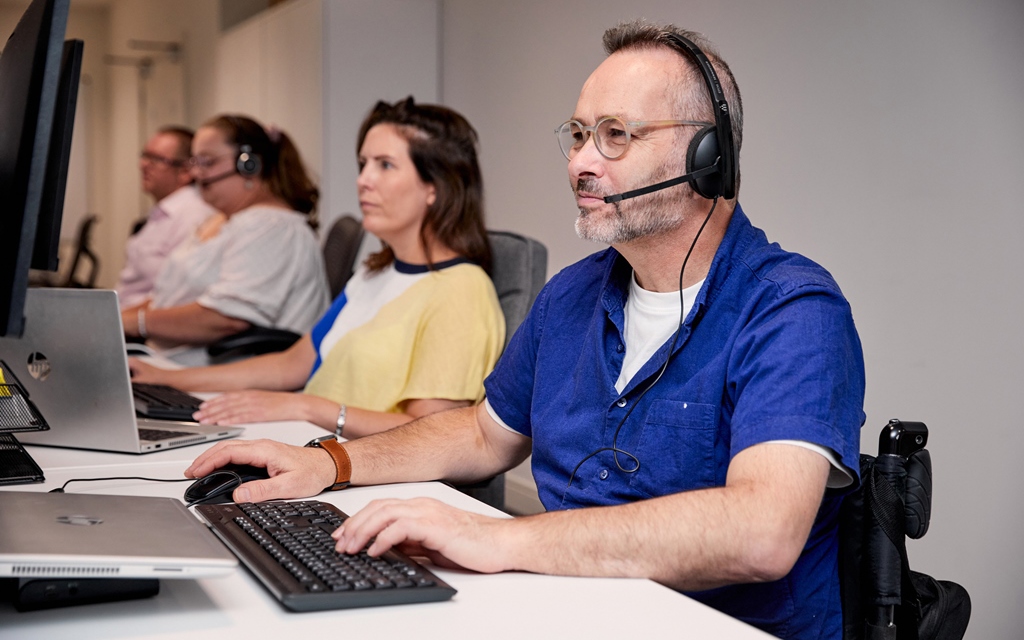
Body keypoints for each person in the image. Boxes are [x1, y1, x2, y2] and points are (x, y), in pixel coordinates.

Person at [185, 22, 864, 640]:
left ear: (708, 155)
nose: (580, 164)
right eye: (576, 134)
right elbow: (483, 432)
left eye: (616, 135)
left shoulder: (792, 309)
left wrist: (500, 539)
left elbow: (761, 532)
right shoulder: (574, 293)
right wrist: (331, 463)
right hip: (554, 609)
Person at [130, 98, 505, 437]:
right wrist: (170, 378)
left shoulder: (461, 291)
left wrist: (306, 406)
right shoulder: (375, 273)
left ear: (434, 186)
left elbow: (431, 434)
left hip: (368, 474)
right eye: (363, 164)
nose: (363, 180)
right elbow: (290, 365)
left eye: (385, 165)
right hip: (311, 447)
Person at [121, 115, 330, 366]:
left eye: (208, 162)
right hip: (174, 363)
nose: (197, 172)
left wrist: (138, 323)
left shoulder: (272, 228)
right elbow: (170, 297)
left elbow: (227, 318)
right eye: (195, 161)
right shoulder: (226, 220)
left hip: (222, 380)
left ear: (249, 165)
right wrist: (116, 320)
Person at [116, 126, 219, 309]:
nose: (144, 165)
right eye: (145, 156)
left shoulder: (193, 216)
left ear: (186, 172)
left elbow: (175, 295)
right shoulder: (163, 212)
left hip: (143, 325)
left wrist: (121, 321)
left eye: (156, 159)